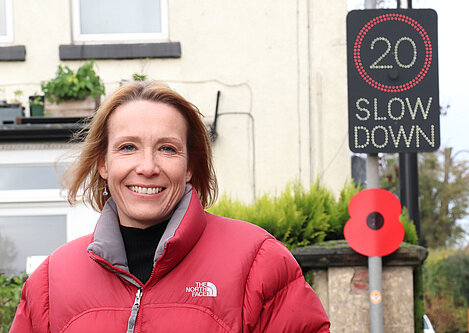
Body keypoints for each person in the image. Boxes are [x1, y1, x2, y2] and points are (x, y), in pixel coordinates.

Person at [10, 81, 330, 332]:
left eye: (167, 148)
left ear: (189, 166)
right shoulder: (50, 282)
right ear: (102, 164)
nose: (147, 166)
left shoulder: (259, 263)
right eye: (127, 147)